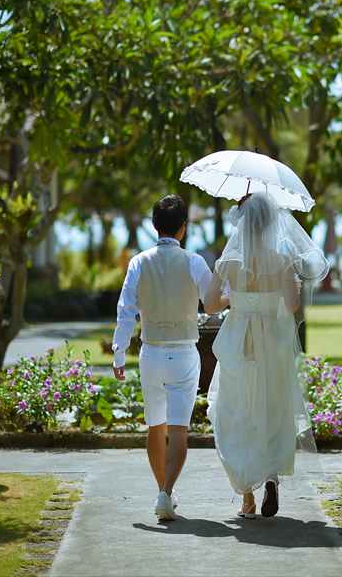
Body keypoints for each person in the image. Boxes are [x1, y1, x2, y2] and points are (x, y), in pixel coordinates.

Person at [203, 192, 328, 518]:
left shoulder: (228, 262)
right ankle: (271, 477)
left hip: (239, 342)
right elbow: (291, 306)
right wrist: (291, 291)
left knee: (236, 410)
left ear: (240, 223)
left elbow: (210, 304)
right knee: (272, 408)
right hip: (272, 342)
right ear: (272, 223)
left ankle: (247, 496)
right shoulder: (282, 259)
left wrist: (237, 298)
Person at [111, 194, 213, 522]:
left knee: (156, 426)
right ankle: (165, 492)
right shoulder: (195, 262)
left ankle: (162, 493)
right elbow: (212, 301)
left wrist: (117, 353)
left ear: (155, 226)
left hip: (151, 351)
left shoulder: (139, 262)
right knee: (180, 429)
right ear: (183, 227)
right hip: (184, 351)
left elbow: (125, 310)